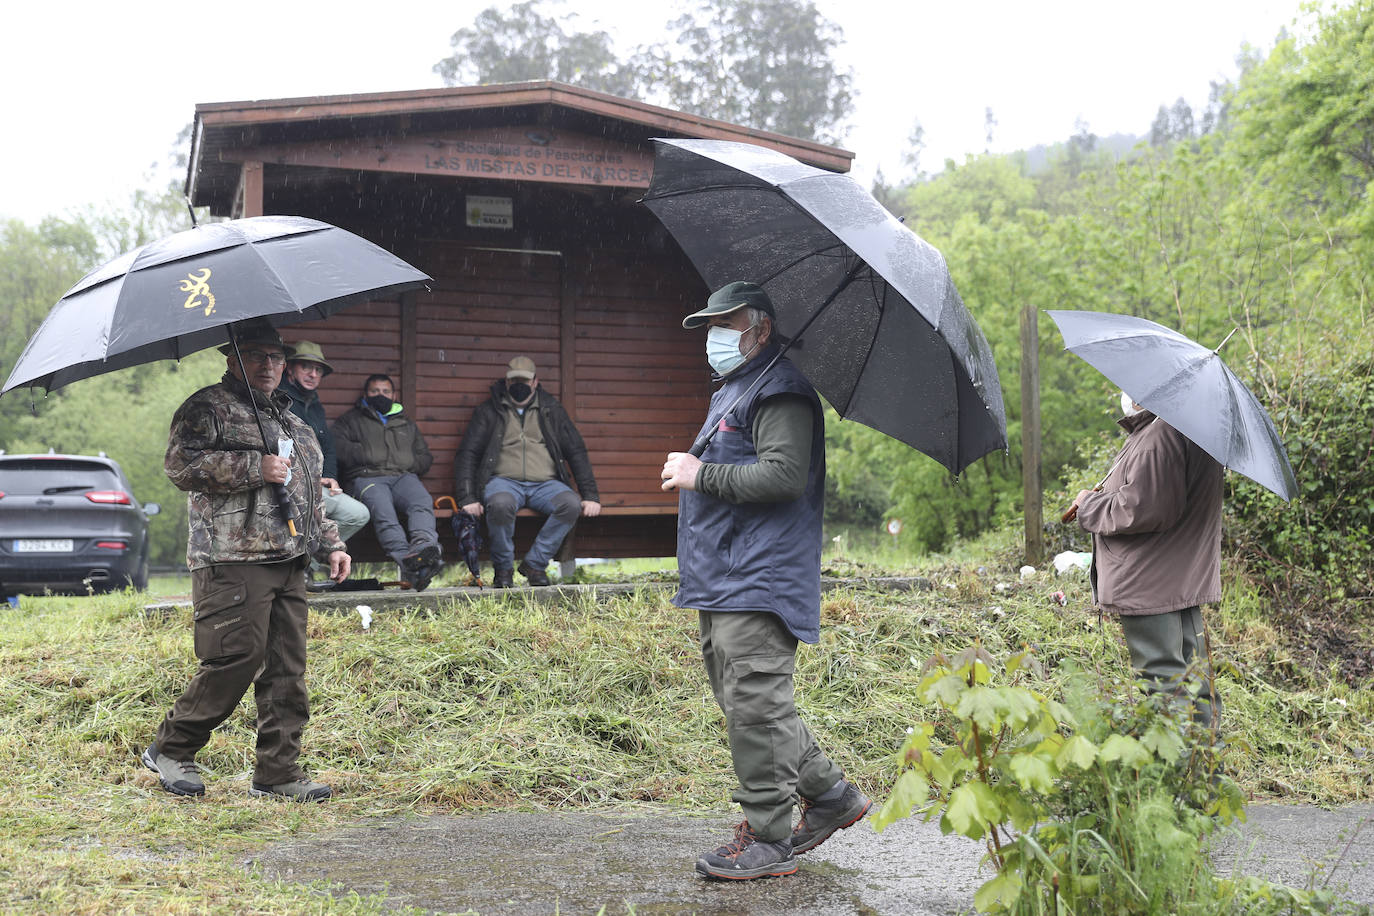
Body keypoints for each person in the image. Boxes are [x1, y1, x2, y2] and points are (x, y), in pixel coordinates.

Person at [660, 281, 871, 881]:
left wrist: (701, 474)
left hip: (759, 575)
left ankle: (773, 835)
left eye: (725, 324)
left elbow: (782, 476)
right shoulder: (739, 386)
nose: (714, 336)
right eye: (709, 325)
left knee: (755, 705)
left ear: (761, 329)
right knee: (750, 703)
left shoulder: (782, 390)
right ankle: (830, 796)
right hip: (723, 575)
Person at [142, 319, 350, 802]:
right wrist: (253, 467)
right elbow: (180, 465)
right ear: (232, 358)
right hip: (232, 556)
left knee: (286, 669)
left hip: (289, 557)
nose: (269, 366)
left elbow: (306, 494)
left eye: (276, 358)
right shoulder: (207, 408)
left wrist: (332, 544)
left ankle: (277, 773)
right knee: (236, 657)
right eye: (257, 356)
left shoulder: (292, 421)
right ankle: (172, 748)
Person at [1068, 391, 1225, 729]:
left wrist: (1089, 505)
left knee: (1166, 682)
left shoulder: (1159, 436)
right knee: (1194, 679)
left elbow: (1144, 509)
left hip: (1149, 582)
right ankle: (1205, 769)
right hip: (1178, 578)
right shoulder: (1189, 427)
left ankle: (1180, 771)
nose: (1125, 394)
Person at [454, 356, 601, 588]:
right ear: (507, 381)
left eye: (525, 380)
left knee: (570, 504)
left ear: (535, 382)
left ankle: (535, 564)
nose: (519, 385)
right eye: (515, 381)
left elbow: (576, 451)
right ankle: (503, 569)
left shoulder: (551, 409)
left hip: (546, 484)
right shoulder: (489, 411)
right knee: (500, 505)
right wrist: (467, 498)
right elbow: (468, 453)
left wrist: (590, 495)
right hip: (502, 482)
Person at [331, 373, 443, 591]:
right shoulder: (351, 420)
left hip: (402, 476)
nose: (380, 395)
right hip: (367, 477)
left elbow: (424, 456)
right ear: (365, 394)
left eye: (385, 392)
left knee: (421, 500)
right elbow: (338, 447)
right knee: (384, 513)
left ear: (393, 395)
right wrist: (367, 456)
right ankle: (410, 563)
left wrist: (407, 463)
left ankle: (424, 548)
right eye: (374, 391)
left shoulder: (405, 422)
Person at [279, 340, 371, 590]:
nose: (312, 374)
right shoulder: (280, 398)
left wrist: (329, 476)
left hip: (317, 485)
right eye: (306, 367)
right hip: (289, 486)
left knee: (357, 514)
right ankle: (298, 566)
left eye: (318, 370)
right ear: (290, 369)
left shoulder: (314, 403)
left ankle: (306, 563)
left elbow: (327, 445)